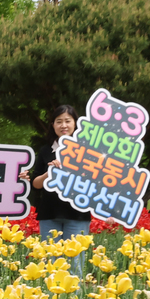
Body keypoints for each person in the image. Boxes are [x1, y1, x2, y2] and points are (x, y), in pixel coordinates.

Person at [27, 104, 91, 272]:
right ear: (53, 125)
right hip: (49, 214)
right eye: (59, 121)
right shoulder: (46, 150)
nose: (63, 125)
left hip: (77, 214)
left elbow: (95, 181)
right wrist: (51, 173)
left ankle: (74, 298)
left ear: (75, 123)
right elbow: (35, 184)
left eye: (67, 121)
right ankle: (50, 298)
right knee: (51, 263)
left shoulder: (86, 151)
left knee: (75, 264)